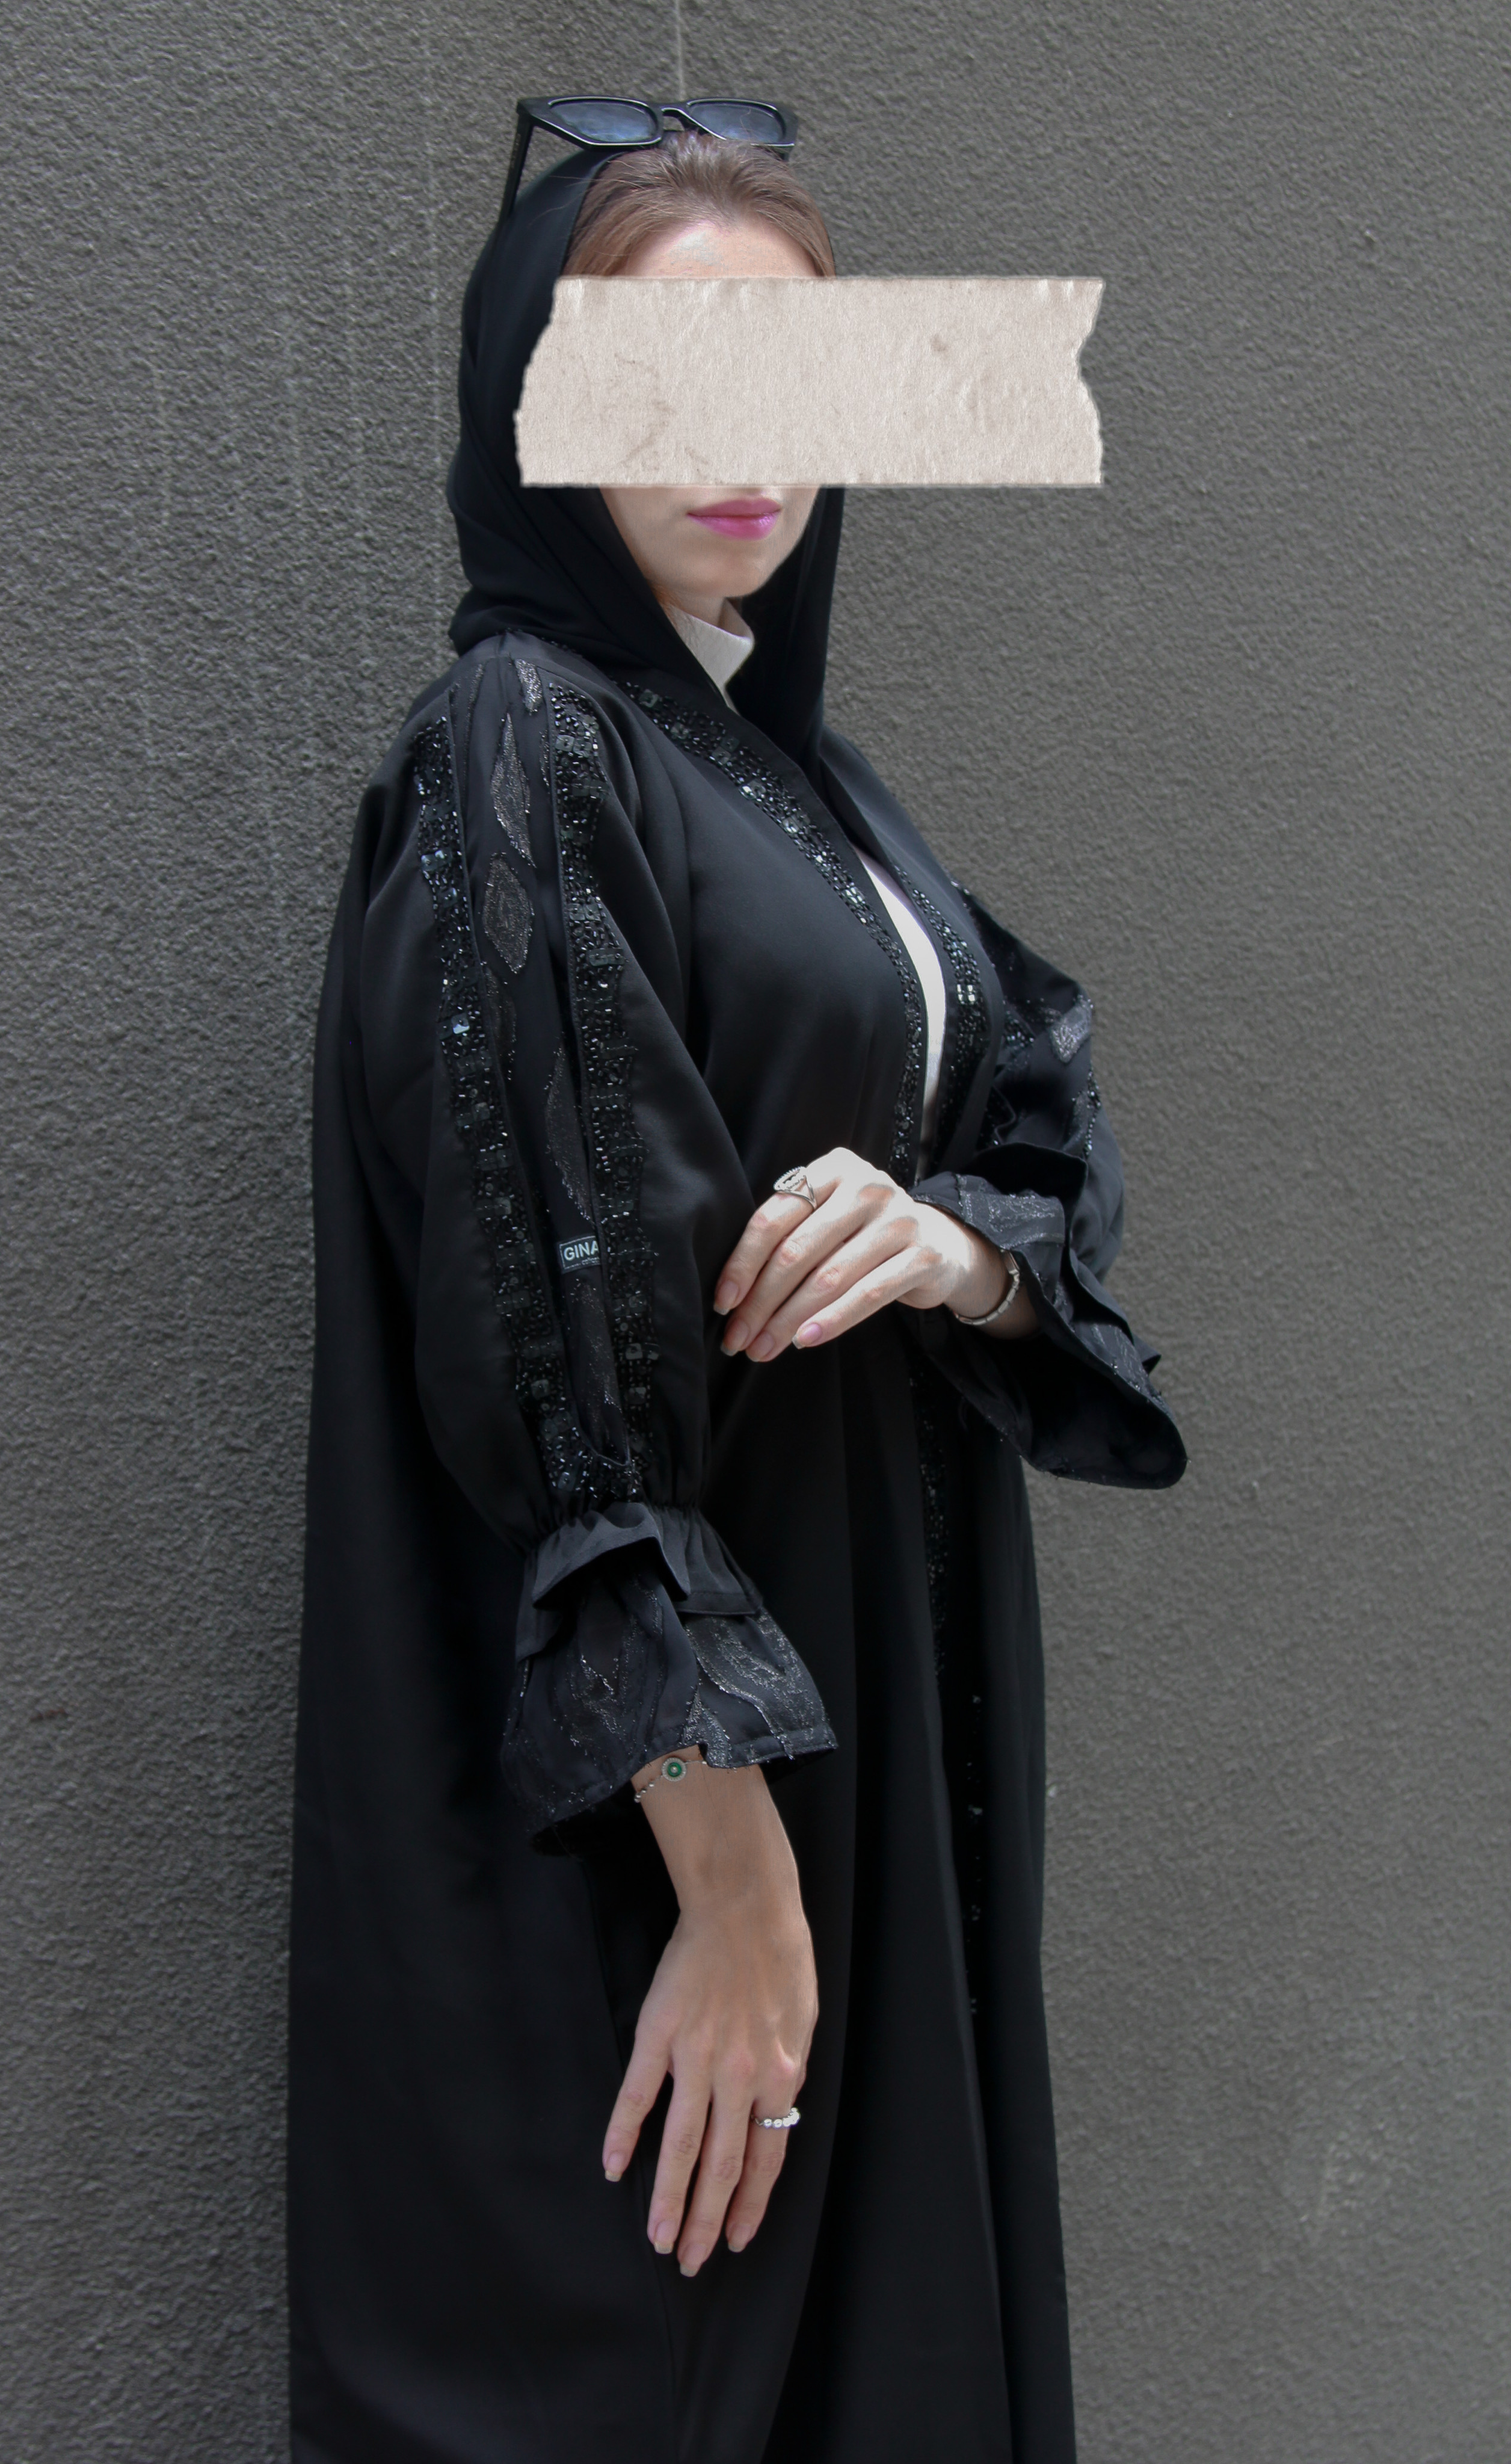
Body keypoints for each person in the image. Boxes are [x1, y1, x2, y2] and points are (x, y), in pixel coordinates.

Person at [288, 110, 1185, 2464]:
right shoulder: (522, 742)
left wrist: (959, 1252)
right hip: (678, 1824)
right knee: (682, 2360)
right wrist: (731, 1880)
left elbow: (1028, 1133)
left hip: (870, 1726)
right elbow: (549, 1351)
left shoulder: (804, 778)